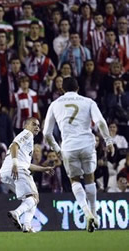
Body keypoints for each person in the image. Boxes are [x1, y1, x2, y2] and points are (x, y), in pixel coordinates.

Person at [43, 77, 115, 232]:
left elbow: (46, 132)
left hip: (68, 147)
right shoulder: (88, 102)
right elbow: (101, 122)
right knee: (89, 178)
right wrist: (108, 141)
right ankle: (94, 214)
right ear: (78, 88)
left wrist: (57, 149)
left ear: (62, 89)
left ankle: (86, 211)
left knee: (75, 180)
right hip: (87, 144)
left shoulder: (55, 104)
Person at [0, 118, 54, 233]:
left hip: (5, 173)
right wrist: (15, 164)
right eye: (34, 124)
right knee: (34, 197)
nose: (37, 128)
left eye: (38, 126)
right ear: (26, 125)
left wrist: (43, 169)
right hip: (17, 169)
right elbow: (14, 146)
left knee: (30, 199)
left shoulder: (28, 141)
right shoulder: (27, 134)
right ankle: (17, 213)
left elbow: (27, 164)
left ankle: (27, 225)